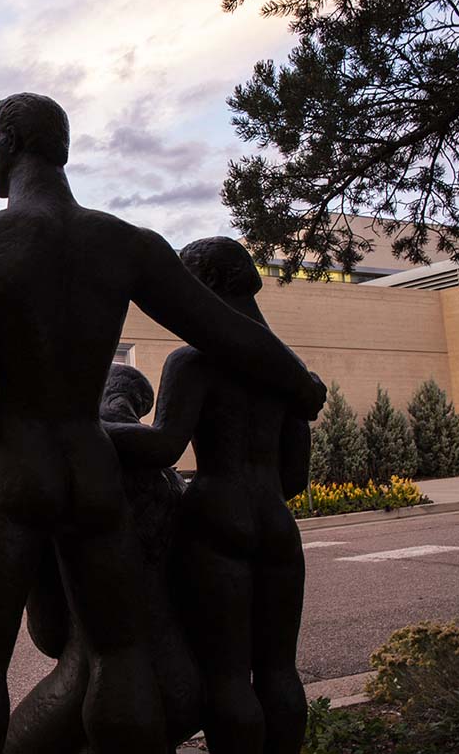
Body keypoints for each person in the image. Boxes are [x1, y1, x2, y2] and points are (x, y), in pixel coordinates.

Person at [0, 92, 325, 754]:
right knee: (119, 653)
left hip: (18, 460)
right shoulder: (125, 244)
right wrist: (299, 382)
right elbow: (225, 330)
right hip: (92, 465)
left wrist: (11, 458)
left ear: (7, 146)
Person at [105, 237, 311, 754]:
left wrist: (95, 427)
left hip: (218, 513)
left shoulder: (193, 361)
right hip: (276, 521)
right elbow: (296, 476)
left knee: (227, 677)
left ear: (211, 284)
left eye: (187, 283)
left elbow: (163, 445)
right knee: (279, 669)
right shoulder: (290, 372)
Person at [6, 364, 201, 754]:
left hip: (90, 684)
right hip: (182, 682)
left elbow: (47, 631)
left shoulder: (69, 473)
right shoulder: (174, 484)